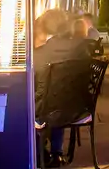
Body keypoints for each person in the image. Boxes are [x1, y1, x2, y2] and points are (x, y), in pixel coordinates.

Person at [34, 9, 92, 167]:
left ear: (44, 27)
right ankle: (56, 152)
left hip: (45, 111)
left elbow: (36, 86)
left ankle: (37, 152)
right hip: (75, 109)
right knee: (58, 100)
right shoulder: (80, 48)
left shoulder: (40, 54)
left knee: (32, 106)